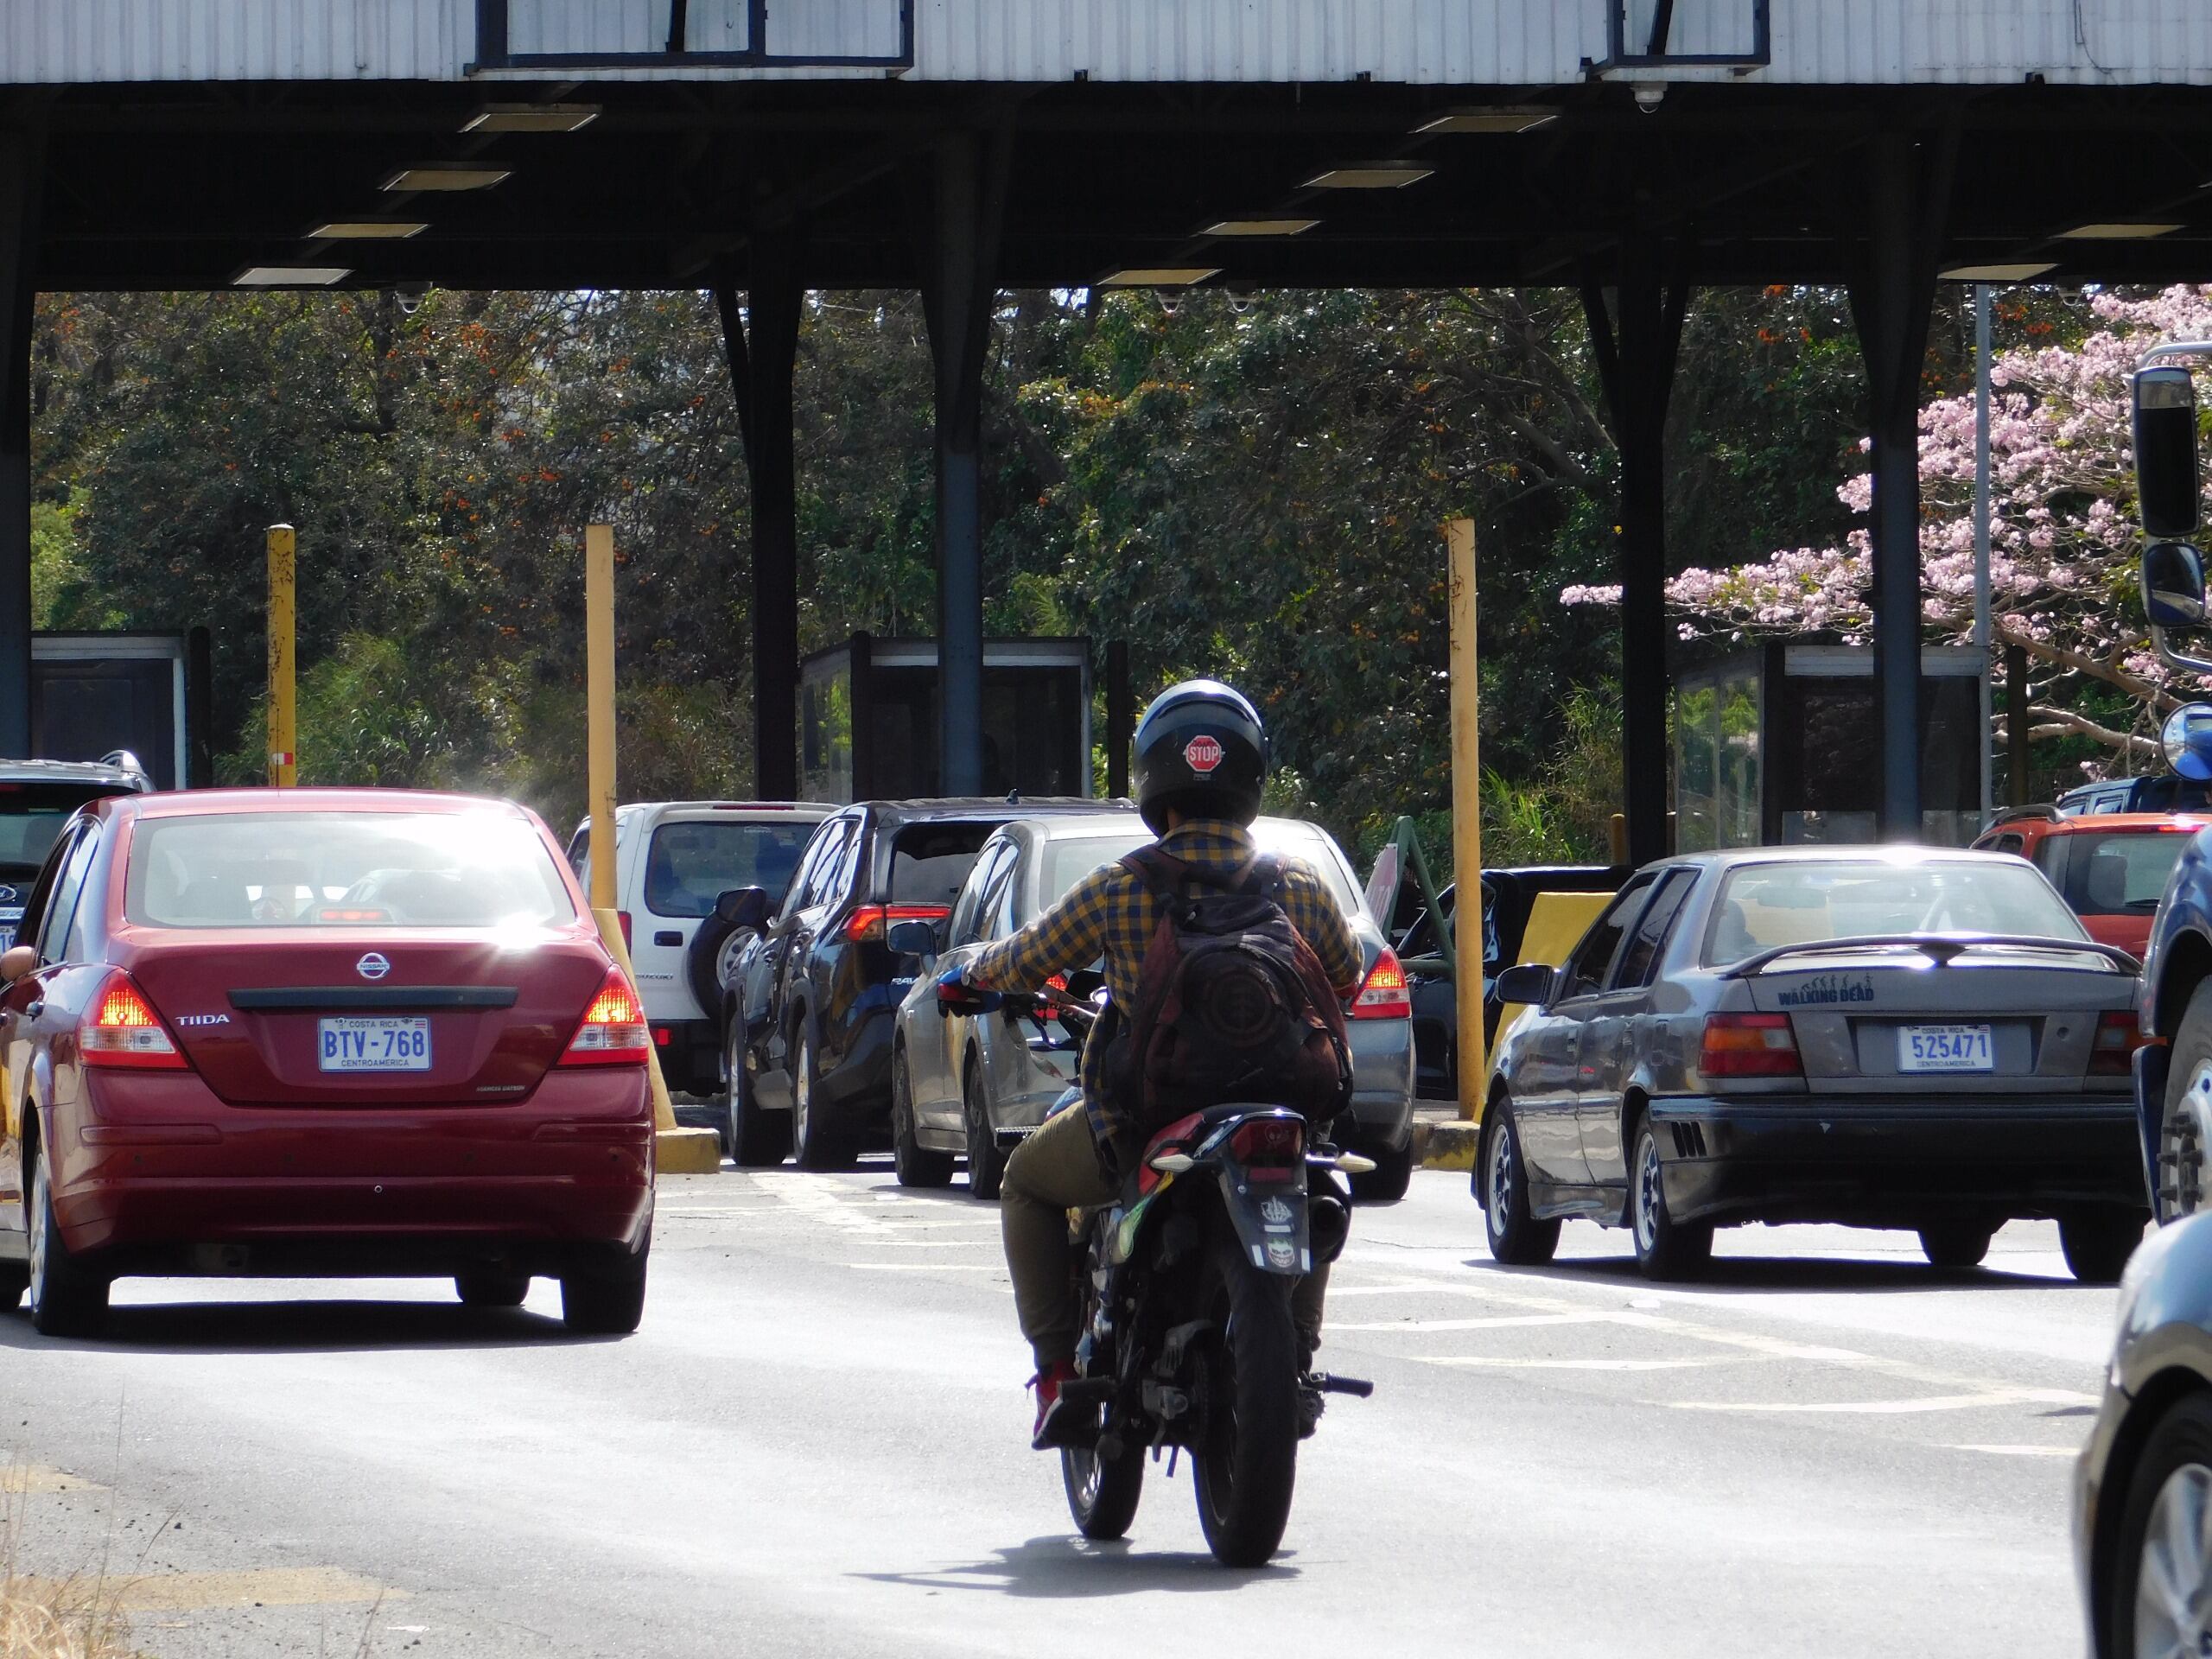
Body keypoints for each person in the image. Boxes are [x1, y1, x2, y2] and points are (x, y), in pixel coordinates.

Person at [945, 679, 1363, 1447]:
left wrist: (967, 974)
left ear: (1153, 782)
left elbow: (1025, 959)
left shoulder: (1122, 887)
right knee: (1314, 1184)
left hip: (1147, 1124)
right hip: (1284, 1113)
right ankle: (1297, 1355)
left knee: (1026, 1185)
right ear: (1249, 779)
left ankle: (1057, 1375)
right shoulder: (1300, 883)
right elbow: (1349, 977)